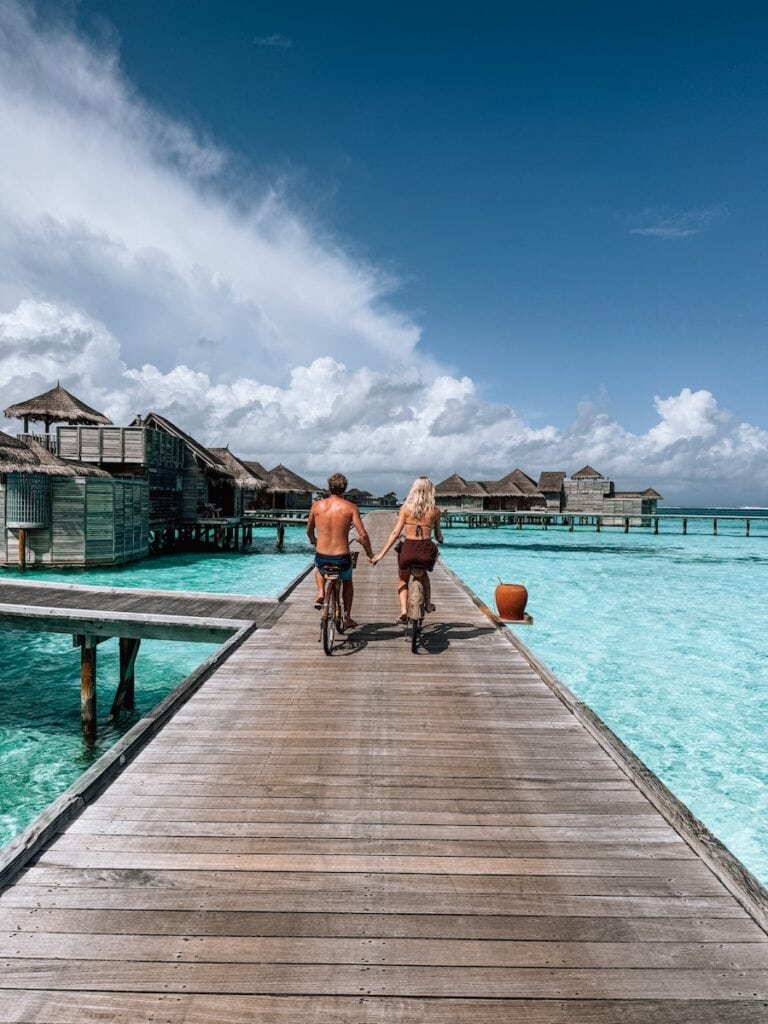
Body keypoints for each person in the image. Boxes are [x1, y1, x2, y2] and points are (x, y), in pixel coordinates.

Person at [371, 476, 444, 623]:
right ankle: (428, 605)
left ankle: (403, 610)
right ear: (430, 491)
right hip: (425, 550)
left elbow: (395, 533)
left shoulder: (405, 509)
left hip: (409, 549)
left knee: (403, 580)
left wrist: (381, 554)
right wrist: (441, 539)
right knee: (424, 577)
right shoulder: (435, 511)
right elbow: (438, 535)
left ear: (414, 490)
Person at [307, 473, 373, 629]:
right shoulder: (350, 507)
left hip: (322, 557)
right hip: (341, 558)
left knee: (318, 570)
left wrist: (314, 541)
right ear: (345, 488)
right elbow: (362, 534)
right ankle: (347, 617)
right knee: (347, 581)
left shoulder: (317, 506)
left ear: (329, 487)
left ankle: (321, 593)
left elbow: (309, 530)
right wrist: (370, 554)